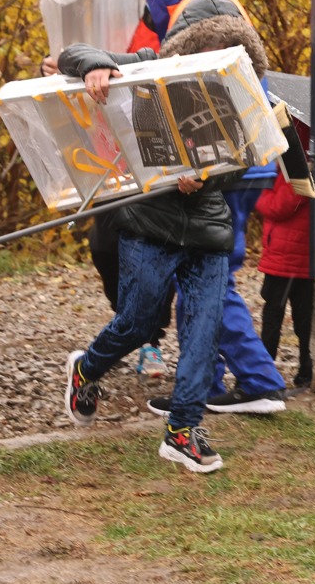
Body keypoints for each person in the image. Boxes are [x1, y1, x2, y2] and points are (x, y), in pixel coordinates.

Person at [59, 41, 231, 474]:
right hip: (149, 223)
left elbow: (246, 152)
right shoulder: (146, 64)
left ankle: (182, 431)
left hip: (207, 228)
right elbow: (70, 54)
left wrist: (208, 173)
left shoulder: (230, 81)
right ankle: (87, 368)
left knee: (204, 330)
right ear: (188, 43)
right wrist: (95, 65)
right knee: (138, 320)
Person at [138, 0, 288, 417]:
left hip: (222, 167)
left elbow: (194, 95)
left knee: (207, 278)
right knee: (204, 275)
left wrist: (191, 167)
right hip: (240, 163)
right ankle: (206, 382)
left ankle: (257, 381)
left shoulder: (199, 9)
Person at [41, 46, 171, 379]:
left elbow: (152, 60)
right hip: (106, 178)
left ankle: (150, 340)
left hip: (148, 178)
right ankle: (127, 328)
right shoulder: (80, 57)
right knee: (103, 248)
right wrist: (53, 73)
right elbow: (62, 95)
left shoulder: (141, 48)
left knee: (149, 260)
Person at [255, 119, 315, 393]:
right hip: (299, 256)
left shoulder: (293, 168)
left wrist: (259, 197)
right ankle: (304, 371)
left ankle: (266, 372)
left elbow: (279, 205)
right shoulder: (305, 163)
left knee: (273, 314)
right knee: (303, 316)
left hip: (286, 256)